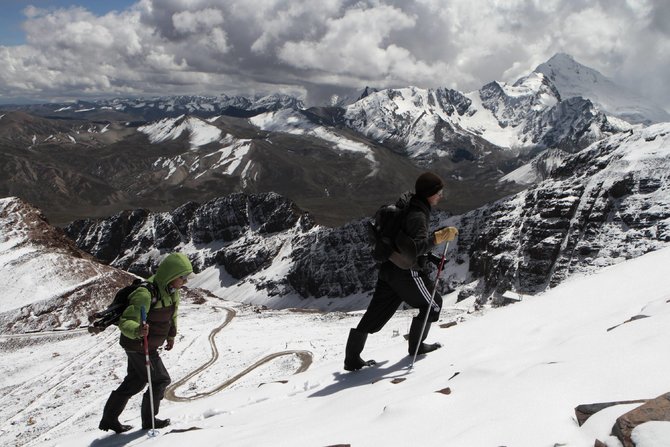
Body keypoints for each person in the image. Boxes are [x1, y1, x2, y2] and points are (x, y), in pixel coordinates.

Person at [344, 172, 458, 371]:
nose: (441, 195)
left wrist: (429, 257)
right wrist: (439, 237)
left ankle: (352, 359)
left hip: (389, 268)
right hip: (406, 273)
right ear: (430, 194)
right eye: (439, 192)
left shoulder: (408, 205)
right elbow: (416, 247)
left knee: (375, 314)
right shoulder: (418, 215)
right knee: (433, 304)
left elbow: (402, 241)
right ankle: (417, 348)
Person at [99, 252, 193, 433]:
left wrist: (171, 336)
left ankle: (109, 419)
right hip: (139, 345)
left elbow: (172, 316)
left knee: (135, 381)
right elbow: (126, 321)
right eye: (183, 277)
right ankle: (149, 420)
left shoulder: (172, 293)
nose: (185, 281)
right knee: (160, 380)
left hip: (147, 345)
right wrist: (137, 330)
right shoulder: (146, 293)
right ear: (172, 276)